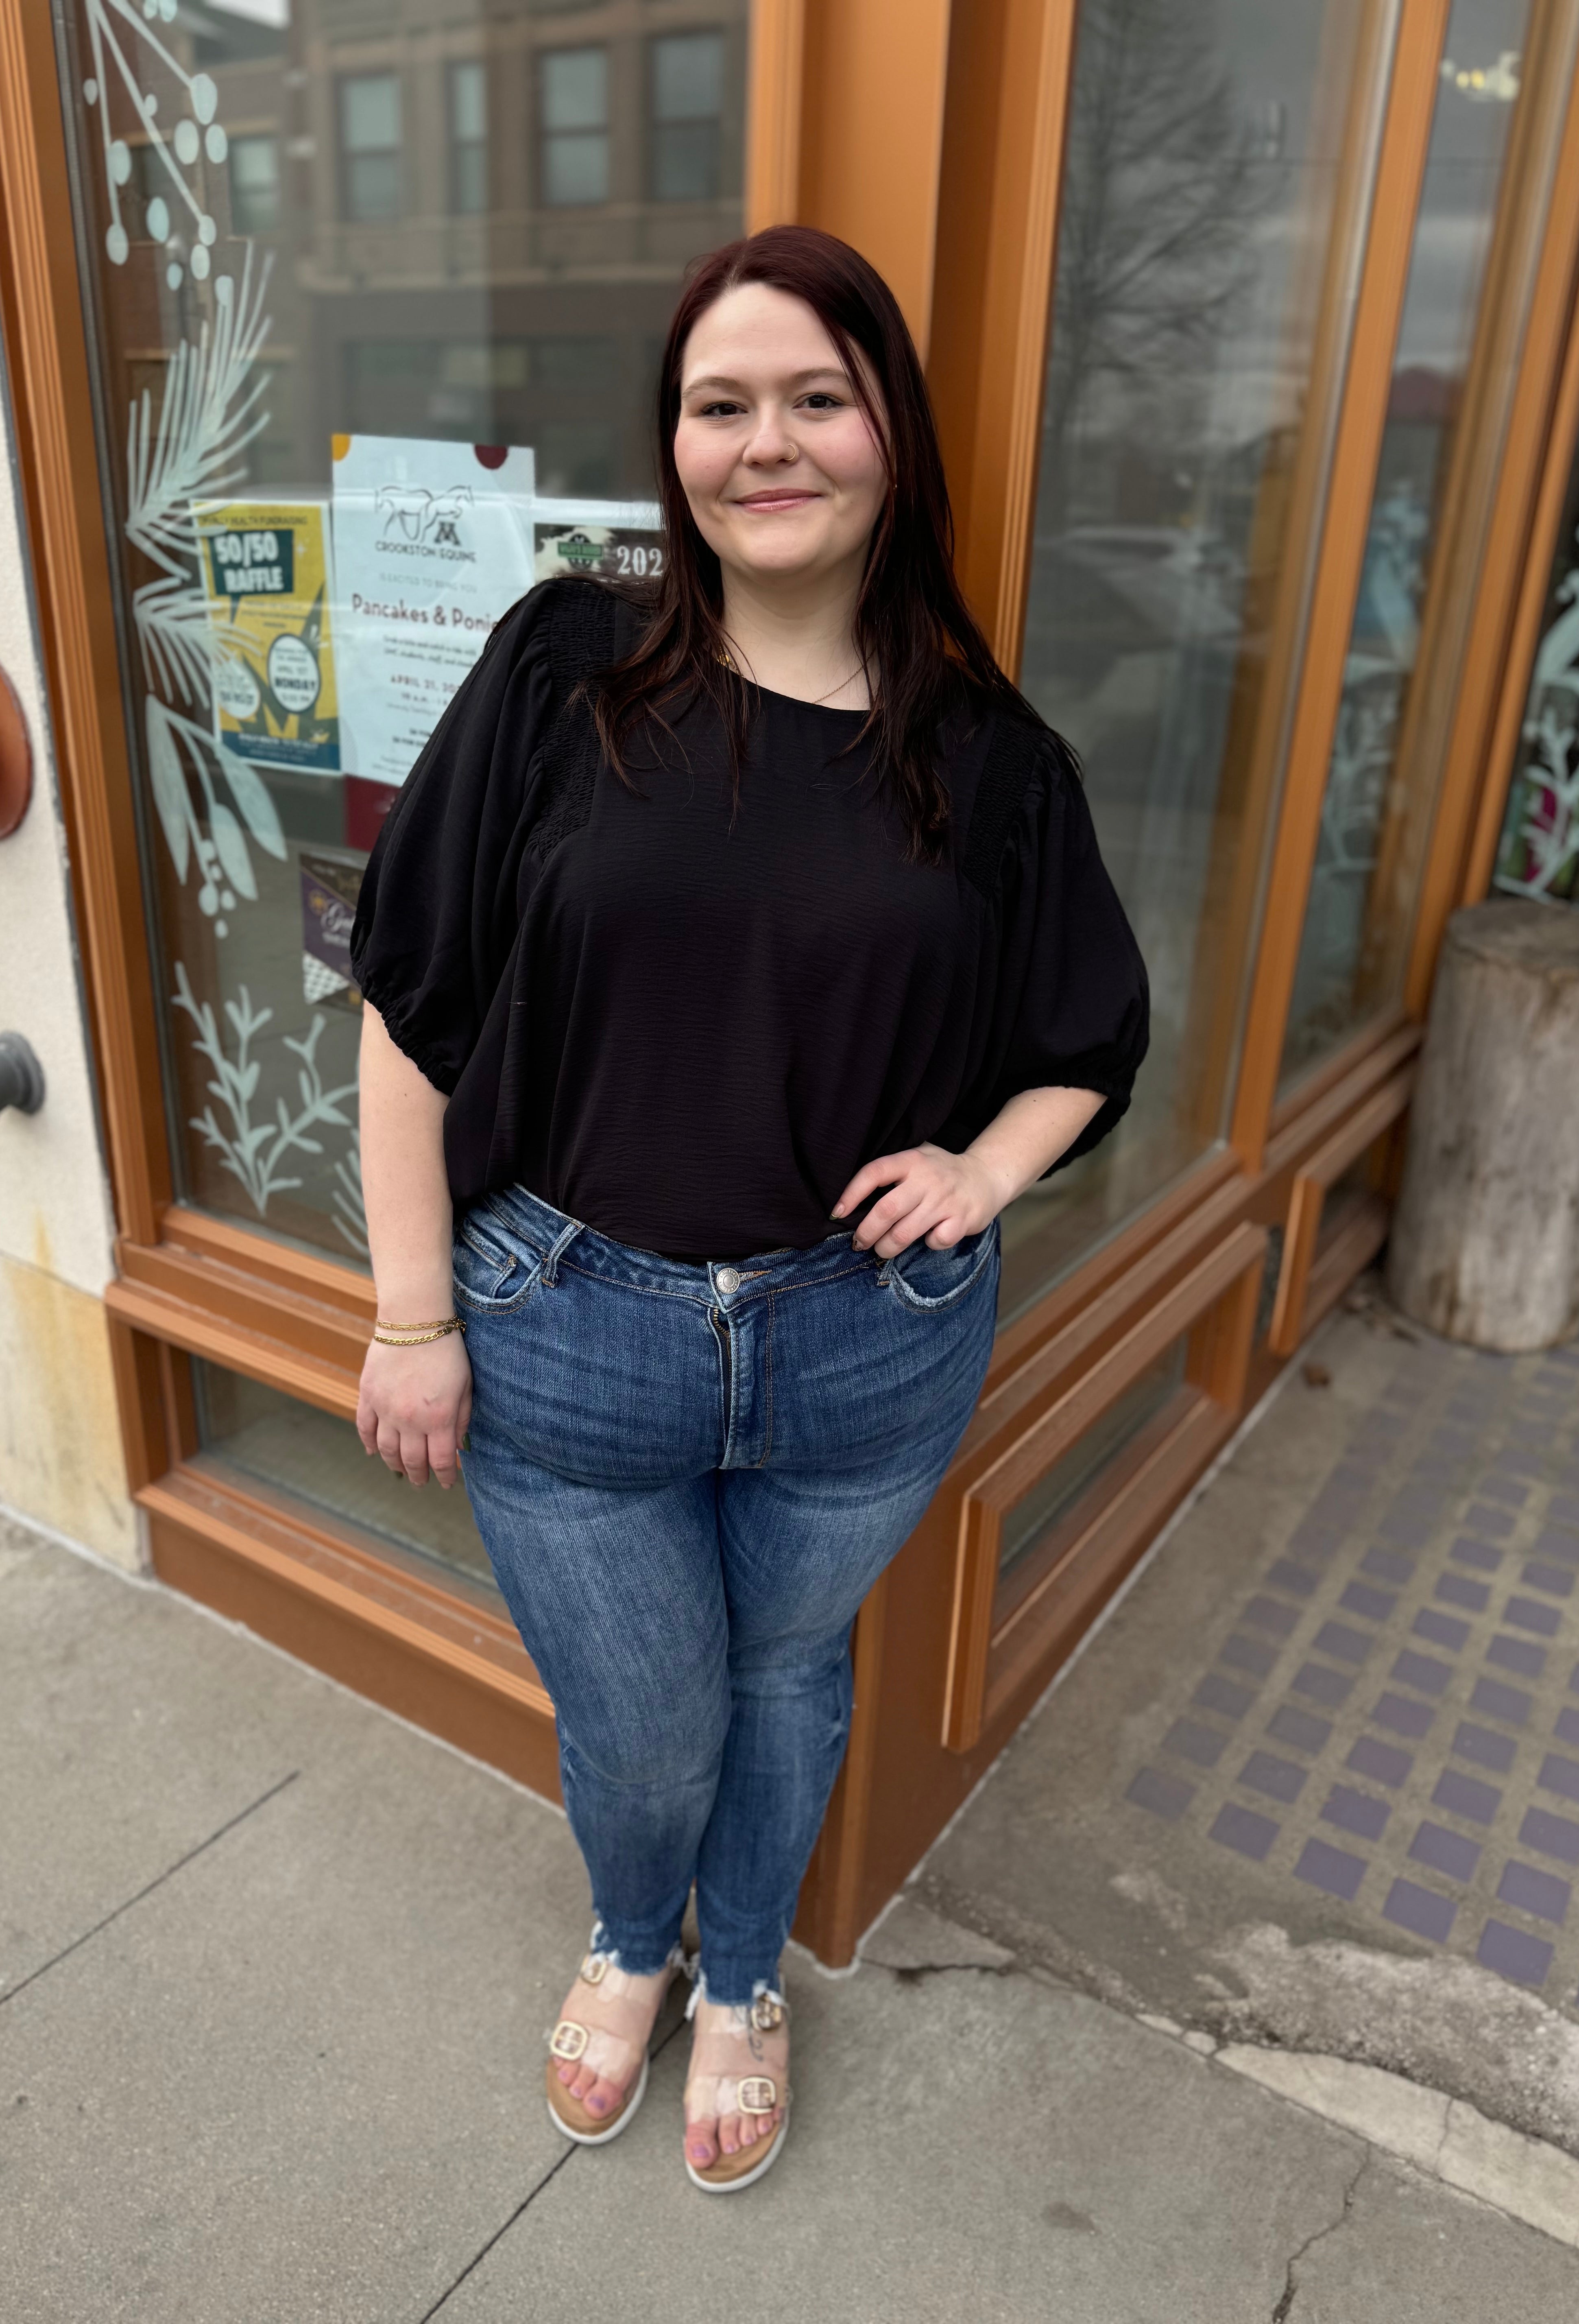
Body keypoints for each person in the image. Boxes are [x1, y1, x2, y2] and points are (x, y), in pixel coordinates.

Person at [349, 224, 1147, 2193]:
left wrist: (985, 1169)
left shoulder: (990, 761)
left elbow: (1088, 1039)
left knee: (787, 1676)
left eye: (817, 398)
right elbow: (411, 997)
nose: (765, 442)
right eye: (722, 404)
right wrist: (409, 1312)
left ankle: (741, 1978)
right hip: (566, 1326)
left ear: (893, 436)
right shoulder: (568, 667)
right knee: (644, 1726)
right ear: (676, 444)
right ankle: (637, 1940)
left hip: (864, 1343)